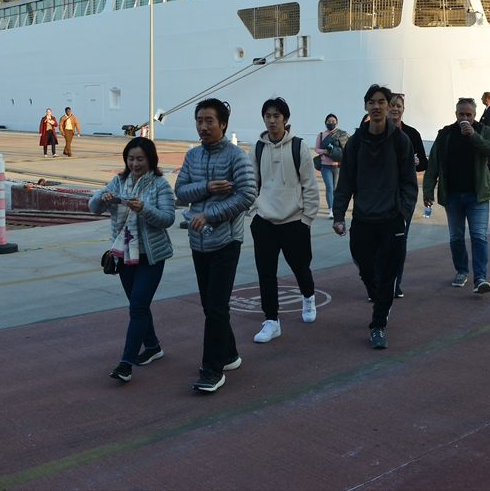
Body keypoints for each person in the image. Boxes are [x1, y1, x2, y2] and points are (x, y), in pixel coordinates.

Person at [174, 98, 256, 393]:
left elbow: (247, 195)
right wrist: (206, 187)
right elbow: (180, 192)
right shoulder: (192, 155)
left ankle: (212, 369)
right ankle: (229, 354)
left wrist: (209, 214)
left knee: (217, 305)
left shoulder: (237, 157)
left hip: (226, 242)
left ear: (223, 124)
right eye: (199, 121)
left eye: (209, 121)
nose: (203, 126)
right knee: (210, 305)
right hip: (198, 242)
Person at [332, 84, 419, 350]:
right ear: (366, 106)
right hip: (363, 217)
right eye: (372, 102)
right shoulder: (356, 142)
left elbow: (409, 182)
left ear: (389, 106)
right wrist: (339, 214)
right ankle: (378, 293)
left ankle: (378, 324)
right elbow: (346, 181)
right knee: (364, 263)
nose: (377, 106)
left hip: (392, 218)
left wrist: (403, 213)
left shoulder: (400, 140)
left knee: (389, 272)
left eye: (382, 102)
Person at [89, 137, 176, 383]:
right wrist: (102, 197)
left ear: (151, 160)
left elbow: (168, 219)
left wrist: (143, 209)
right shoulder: (119, 181)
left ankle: (126, 364)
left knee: (137, 307)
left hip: (152, 256)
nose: (135, 164)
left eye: (140, 159)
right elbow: (93, 207)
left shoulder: (160, 185)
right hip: (125, 255)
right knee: (140, 306)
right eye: (131, 159)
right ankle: (153, 346)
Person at [250, 97, 321, 345]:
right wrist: (255, 211)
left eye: (276, 116)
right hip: (265, 222)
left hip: (294, 221)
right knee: (266, 273)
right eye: (268, 116)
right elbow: (251, 185)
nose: (272, 120)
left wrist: (306, 219)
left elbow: (310, 186)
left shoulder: (299, 147)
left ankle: (308, 297)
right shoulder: (257, 149)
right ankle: (271, 320)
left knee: (301, 268)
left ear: (285, 119)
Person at [424, 97, 490, 294]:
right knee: (456, 237)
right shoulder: (445, 134)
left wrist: (474, 136)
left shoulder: (483, 131)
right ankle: (461, 271)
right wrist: (428, 192)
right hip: (452, 195)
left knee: (478, 236)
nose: (465, 118)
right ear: (456, 114)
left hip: (477, 195)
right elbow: (433, 165)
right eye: (461, 114)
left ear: (475, 115)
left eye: (469, 114)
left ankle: (480, 277)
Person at [385, 93, 427, 299]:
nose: (395, 109)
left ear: (403, 109)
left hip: (403, 196)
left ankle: (395, 282)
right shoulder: (374, 131)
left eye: (399, 106)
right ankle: (378, 281)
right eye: (392, 105)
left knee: (399, 240)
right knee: (378, 241)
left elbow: (424, 163)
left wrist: (416, 162)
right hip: (380, 195)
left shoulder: (411, 134)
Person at [314, 114, 349, 218]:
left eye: (333, 121)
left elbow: (346, 148)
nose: (331, 123)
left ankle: (337, 207)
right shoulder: (321, 135)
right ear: (325, 123)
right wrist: (323, 151)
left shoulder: (341, 135)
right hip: (325, 165)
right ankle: (331, 210)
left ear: (337, 123)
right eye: (329, 121)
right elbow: (316, 148)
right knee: (329, 187)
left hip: (337, 166)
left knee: (336, 188)